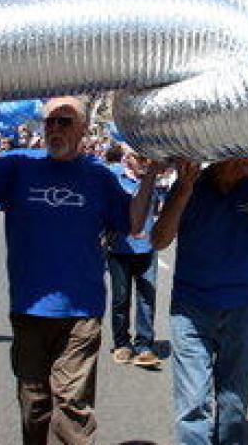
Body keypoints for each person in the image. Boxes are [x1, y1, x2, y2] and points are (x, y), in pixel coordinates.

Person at [0, 96, 156, 445]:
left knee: (72, 406)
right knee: (34, 404)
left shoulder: (98, 175)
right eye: (50, 122)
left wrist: (152, 171)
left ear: (83, 130)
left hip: (82, 312)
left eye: (64, 122)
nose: (54, 128)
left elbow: (134, 223)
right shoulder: (18, 165)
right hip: (29, 309)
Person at [151, 156, 248, 445]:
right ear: (216, 157)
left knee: (234, 403)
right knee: (193, 405)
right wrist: (183, 190)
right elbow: (159, 239)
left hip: (241, 308)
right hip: (191, 311)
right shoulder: (190, 186)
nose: (240, 162)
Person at [102, 146, 161, 369]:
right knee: (121, 298)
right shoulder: (113, 178)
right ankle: (122, 343)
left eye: (148, 158)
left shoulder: (154, 180)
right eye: (141, 157)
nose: (146, 162)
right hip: (119, 249)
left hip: (147, 248)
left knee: (147, 297)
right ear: (129, 158)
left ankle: (144, 345)